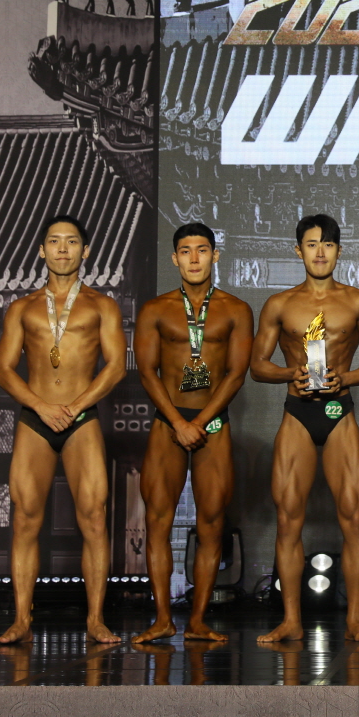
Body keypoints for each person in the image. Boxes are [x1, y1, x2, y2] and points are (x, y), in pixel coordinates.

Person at [251, 214, 359, 641]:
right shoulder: (279, 304)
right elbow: (257, 366)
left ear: (339, 251)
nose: (320, 252)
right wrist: (288, 373)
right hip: (297, 413)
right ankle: (291, 620)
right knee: (288, 519)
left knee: (353, 518)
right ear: (299, 251)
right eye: (311, 244)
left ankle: (354, 620)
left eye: (328, 244)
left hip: (339, 411)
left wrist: (346, 378)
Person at [0, 215, 126, 644]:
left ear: (86, 251)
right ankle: (21, 620)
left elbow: (116, 366)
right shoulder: (22, 308)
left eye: (71, 242)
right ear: (41, 250)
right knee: (25, 519)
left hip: (80, 418)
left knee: (94, 518)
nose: (63, 249)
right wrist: (41, 407)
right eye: (54, 241)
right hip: (36, 419)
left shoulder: (102, 305)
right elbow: (4, 369)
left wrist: (74, 407)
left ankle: (95, 619)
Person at [132, 222, 253, 644]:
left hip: (212, 423)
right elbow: (147, 372)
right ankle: (163, 619)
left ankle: (198, 620)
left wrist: (198, 423)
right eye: (186, 251)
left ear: (215, 255)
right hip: (168, 422)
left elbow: (236, 374)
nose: (195, 258)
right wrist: (179, 422)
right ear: (175, 258)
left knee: (212, 524)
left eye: (202, 250)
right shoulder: (155, 309)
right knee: (157, 520)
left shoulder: (237, 310)